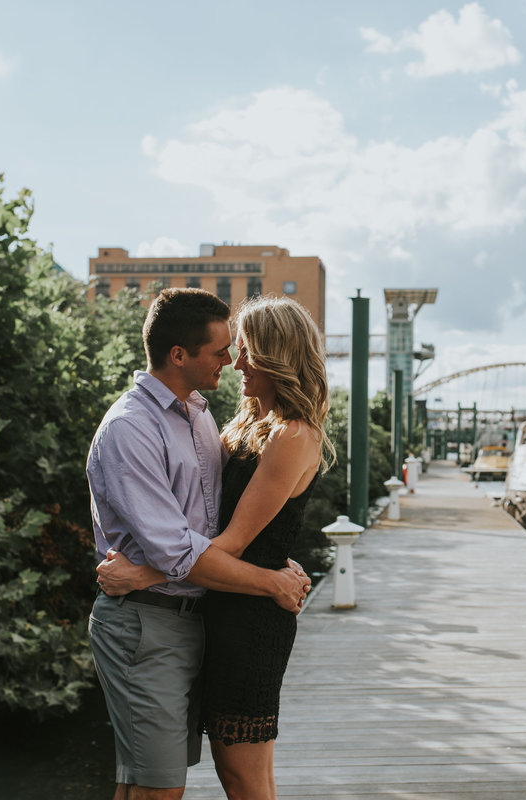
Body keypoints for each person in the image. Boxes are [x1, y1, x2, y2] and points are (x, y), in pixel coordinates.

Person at [98, 295, 334, 800]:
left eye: (246, 349)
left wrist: (143, 574)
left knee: (242, 776)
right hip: (212, 606)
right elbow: (208, 521)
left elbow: (231, 540)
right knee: (148, 775)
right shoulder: (235, 423)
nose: (236, 360)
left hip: (248, 621)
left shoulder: (290, 434)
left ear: (278, 354)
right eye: (231, 348)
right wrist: (274, 569)